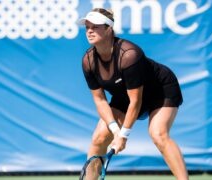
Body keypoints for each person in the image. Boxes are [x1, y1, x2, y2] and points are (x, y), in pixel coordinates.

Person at [78, 8, 189, 180]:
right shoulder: (88, 62)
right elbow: (100, 100)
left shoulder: (129, 55)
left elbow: (136, 101)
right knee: (99, 137)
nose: (90, 30)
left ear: (109, 29)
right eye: (87, 27)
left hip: (160, 90)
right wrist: (115, 129)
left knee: (158, 134)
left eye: (96, 26)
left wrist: (123, 136)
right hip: (124, 96)